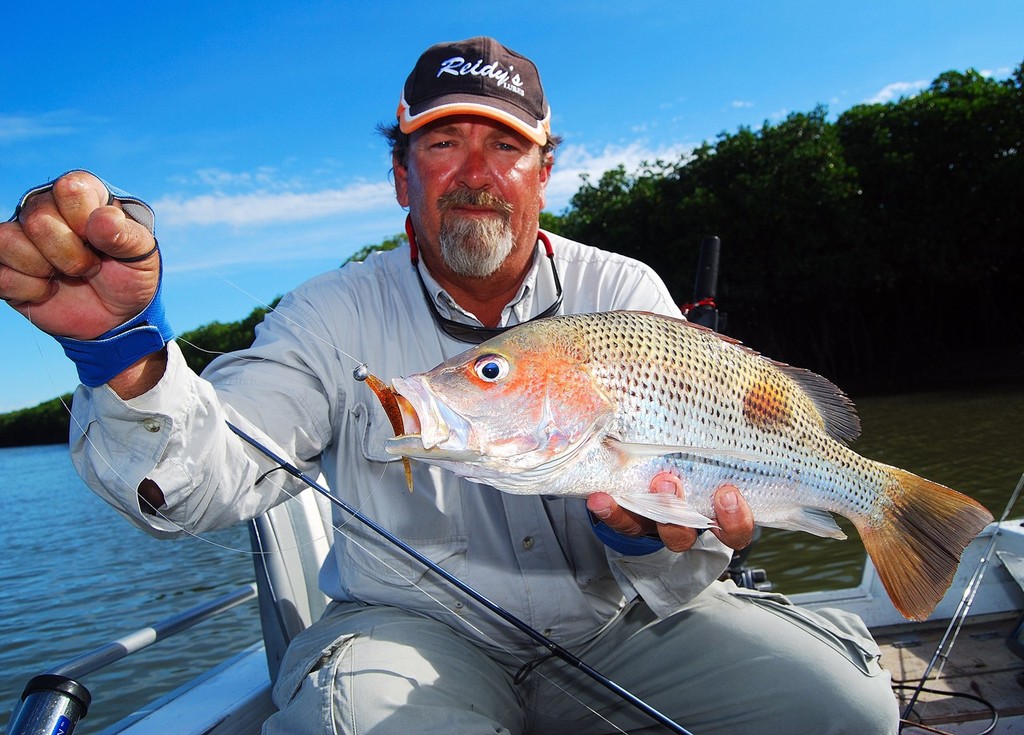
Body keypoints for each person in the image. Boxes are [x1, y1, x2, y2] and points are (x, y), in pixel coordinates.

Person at [0, 37, 899, 734]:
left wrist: (644, 541)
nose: (476, 171)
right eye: (442, 141)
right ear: (403, 173)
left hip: (615, 631)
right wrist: (122, 353)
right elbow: (211, 474)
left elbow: (696, 543)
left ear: (543, 173)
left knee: (844, 706)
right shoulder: (327, 313)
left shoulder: (621, 294)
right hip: (412, 631)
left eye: (505, 144)